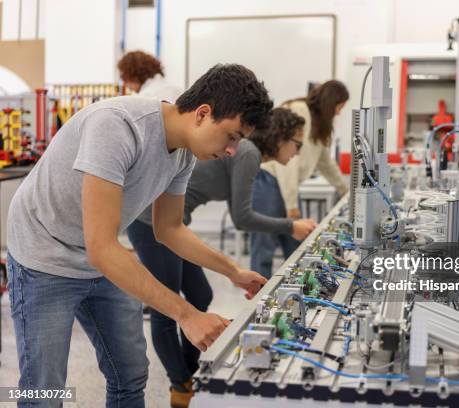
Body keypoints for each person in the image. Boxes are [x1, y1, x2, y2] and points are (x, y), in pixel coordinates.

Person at [6, 64, 272, 408]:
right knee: (44, 389)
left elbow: (169, 228)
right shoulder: (117, 126)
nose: (233, 150)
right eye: (232, 136)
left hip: (98, 259)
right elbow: (101, 249)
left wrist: (232, 271)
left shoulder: (183, 155)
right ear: (203, 114)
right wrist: (187, 314)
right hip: (42, 256)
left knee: (130, 375)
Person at [127, 107, 316, 406]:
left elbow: (241, 213)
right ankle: (181, 385)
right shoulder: (249, 153)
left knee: (201, 294)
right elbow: (242, 218)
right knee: (167, 308)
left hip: (175, 223)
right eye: (297, 143)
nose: (298, 152)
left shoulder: (250, 156)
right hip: (149, 222)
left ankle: (189, 371)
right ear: (280, 138)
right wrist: (290, 226)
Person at [250, 80, 350, 278]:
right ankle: (259, 299)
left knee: (298, 245)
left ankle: (298, 295)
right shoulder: (299, 110)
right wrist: (291, 204)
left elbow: (325, 161)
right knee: (264, 247)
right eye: (339, 107)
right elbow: (285, 162)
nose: (339, 113)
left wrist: (346, 191)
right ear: (332, 102)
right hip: (268, 180)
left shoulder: (319, 124)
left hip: (287, 188)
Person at [118, 50, 182, 102]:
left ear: (134, 75)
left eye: (125, 79)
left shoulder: (142, 98)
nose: (125, 84)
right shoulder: (177, 90)